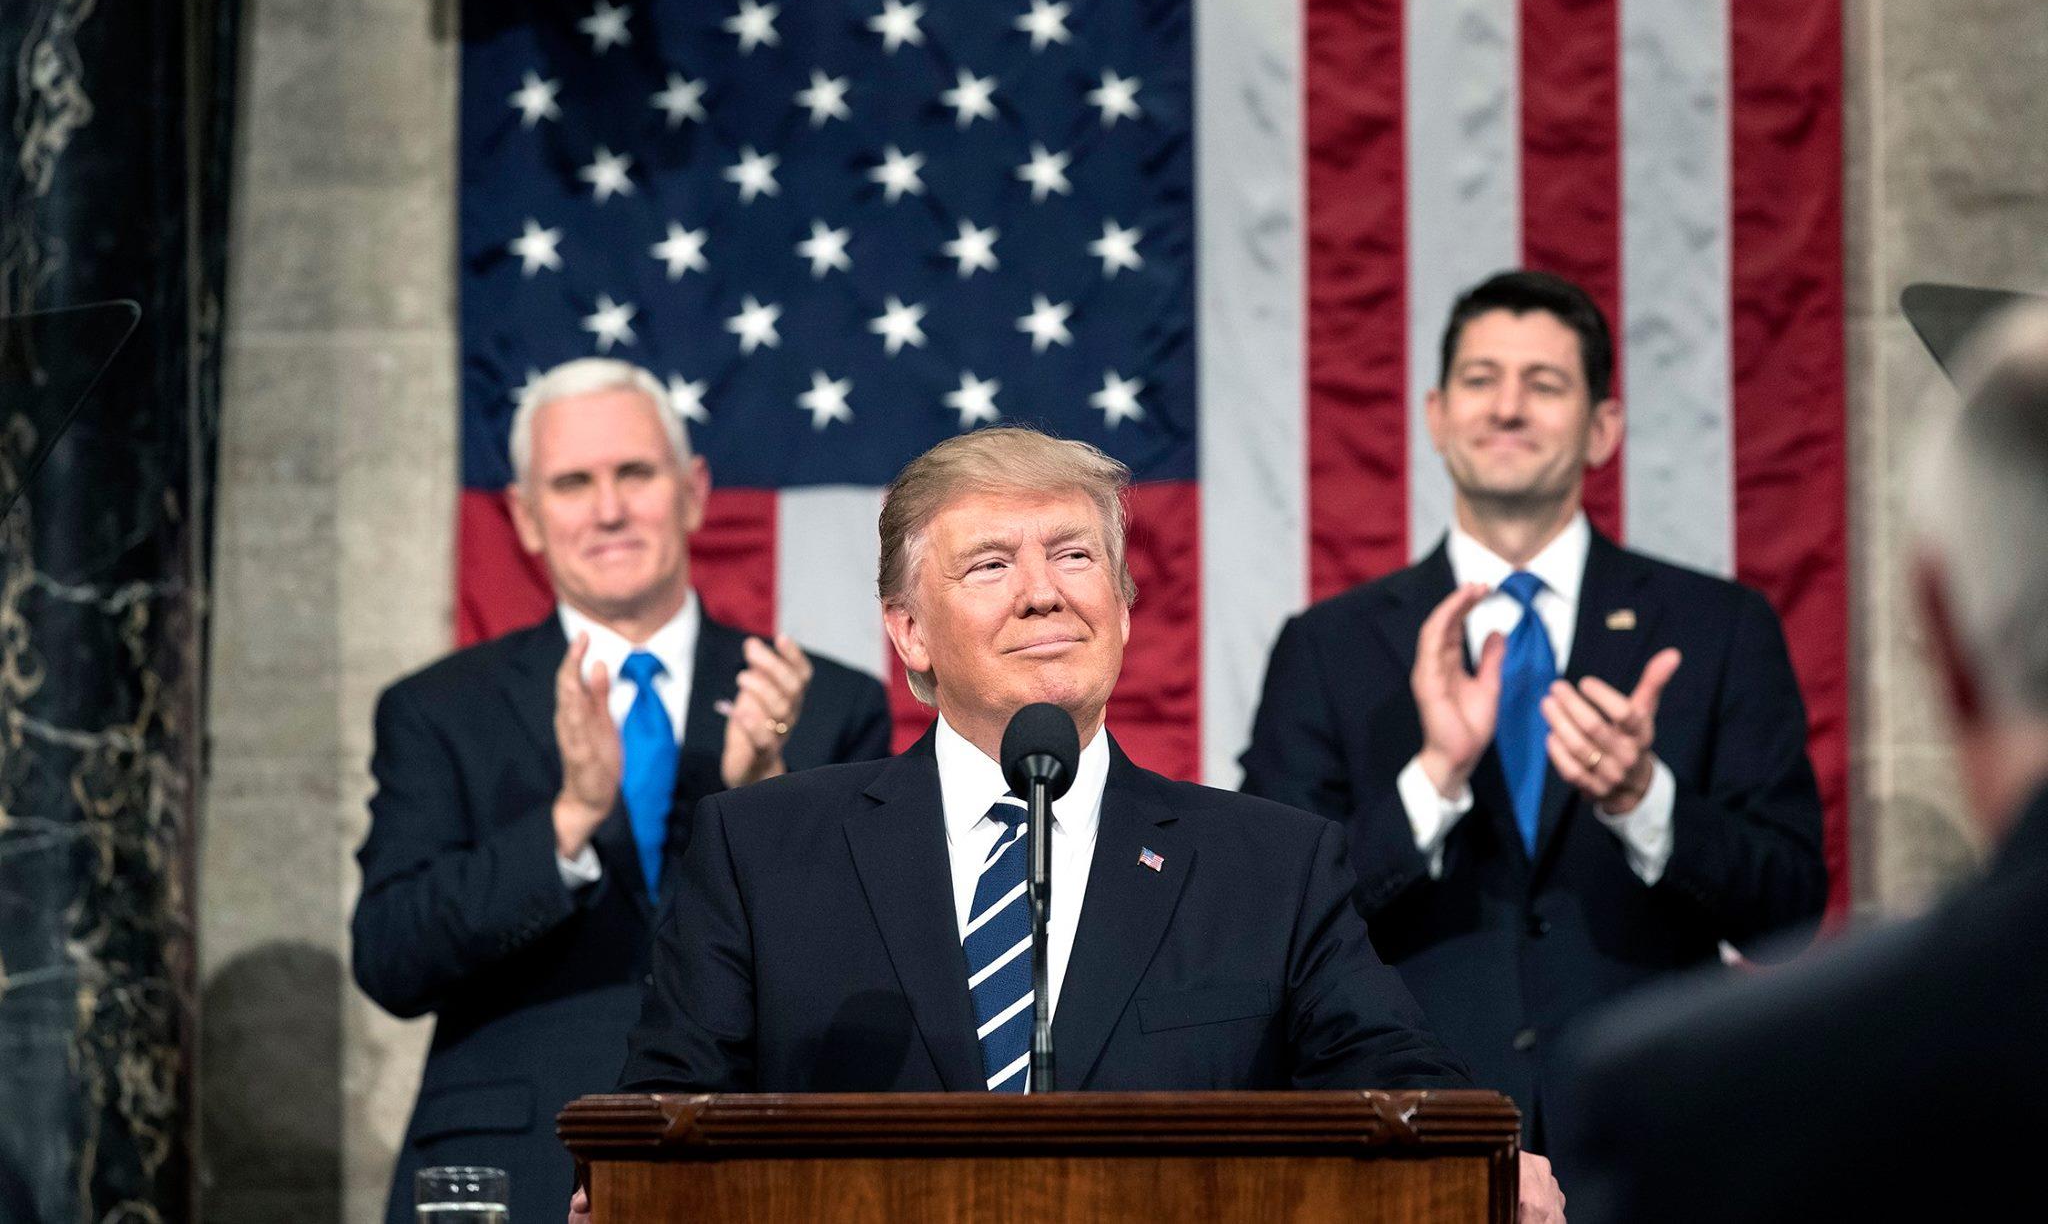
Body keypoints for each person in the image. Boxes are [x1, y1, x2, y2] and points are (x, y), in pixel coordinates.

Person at [597, 426, 1564, 1222]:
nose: (1044, 590)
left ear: (1124, 605)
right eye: (989, 564)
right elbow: (661, 1120)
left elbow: (1401, 1082)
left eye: (1073, 554)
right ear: (909, 633)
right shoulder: (762, 852)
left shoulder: (1269, 866)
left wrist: (1480, 1157)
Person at [1239, 270, 1827, 1147]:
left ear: (1603, 428)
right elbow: (1265, 924)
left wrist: (1644, 801)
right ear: (1436, 415)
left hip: (1654, 1135)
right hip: (1410, 1141)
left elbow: (1789, 915)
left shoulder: (1718, 628)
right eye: (1481, 380)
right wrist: (1432, 781)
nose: (1507, 407)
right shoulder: (1328, 647)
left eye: (1544, 384)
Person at [351, 358, 891, 1224]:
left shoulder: (827, 703)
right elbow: (389, 957)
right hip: (508, 1175)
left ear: (693, 491)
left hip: (753, 1171)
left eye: (634, 473)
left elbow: (865, 973)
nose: (608, 508)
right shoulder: (437, 709)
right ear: (527, 516)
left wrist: (765, 793)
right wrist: (567, 820)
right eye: (572, 482)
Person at [1552, 312, 2048, 1221]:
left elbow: (1781, 892)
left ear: (1935, 625)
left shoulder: (1711, 1100)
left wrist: (1644, 798)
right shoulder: (1334, 650)